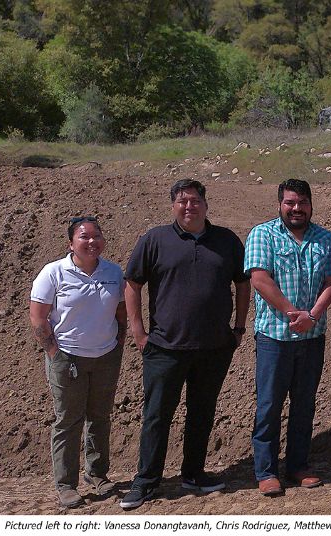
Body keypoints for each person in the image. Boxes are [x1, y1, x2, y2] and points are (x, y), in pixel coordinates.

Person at [121, 179, 250, 510]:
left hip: (214, 347)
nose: (189, 206)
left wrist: (238, 327)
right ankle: (146, 481)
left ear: (206, 204)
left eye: (195, 200)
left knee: (202, 412)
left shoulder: (226, 240)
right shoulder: (155, 240)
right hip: (165, 348)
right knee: (156, 415)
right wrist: (138, 332)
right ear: (173, 206)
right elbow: (132, 284)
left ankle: (194, 473)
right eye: (182, 201)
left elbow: (243, 282)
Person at [245, 179, 331, 496]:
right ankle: (266, 471)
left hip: (312, 336)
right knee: (270, 405)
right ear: (280, 204)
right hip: (274, 337)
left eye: (302, 202)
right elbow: (259, 279)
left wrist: (311, 315)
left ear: (311, 204)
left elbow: (330, 282)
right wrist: (292, 313)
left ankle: (298, 466)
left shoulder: (326, 239)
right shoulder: (263, 234)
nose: (296, 208)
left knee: (304, 405)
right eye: (290, 203)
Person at [30, 217, 126, 508]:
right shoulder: (53, 273)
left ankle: (97, 474)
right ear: (71, 243)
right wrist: (54, 353)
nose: (91, 241)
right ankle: (66, 484)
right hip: (67, 357)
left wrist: (117, 346)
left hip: (105, 356)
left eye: (97, 235)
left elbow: (121, 313)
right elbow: (38, 317)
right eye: (84, 237)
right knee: (68, 420)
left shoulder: (113, 272)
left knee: (100, 417)